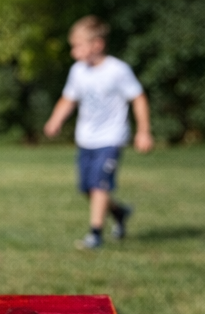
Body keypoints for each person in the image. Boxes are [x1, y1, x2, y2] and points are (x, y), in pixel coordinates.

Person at [43, 15, 153, 250]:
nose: (74, 52)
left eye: (78, 46)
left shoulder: (117, 70)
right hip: (86, 138)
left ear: (97, 45)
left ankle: (95, 234)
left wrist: (143, 132)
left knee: (98, 185)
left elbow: (138, 98)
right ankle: (120, 212)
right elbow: (68, 99)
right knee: (87, 188)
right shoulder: (78, 71)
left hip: (111, 138)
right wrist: (55, 120)